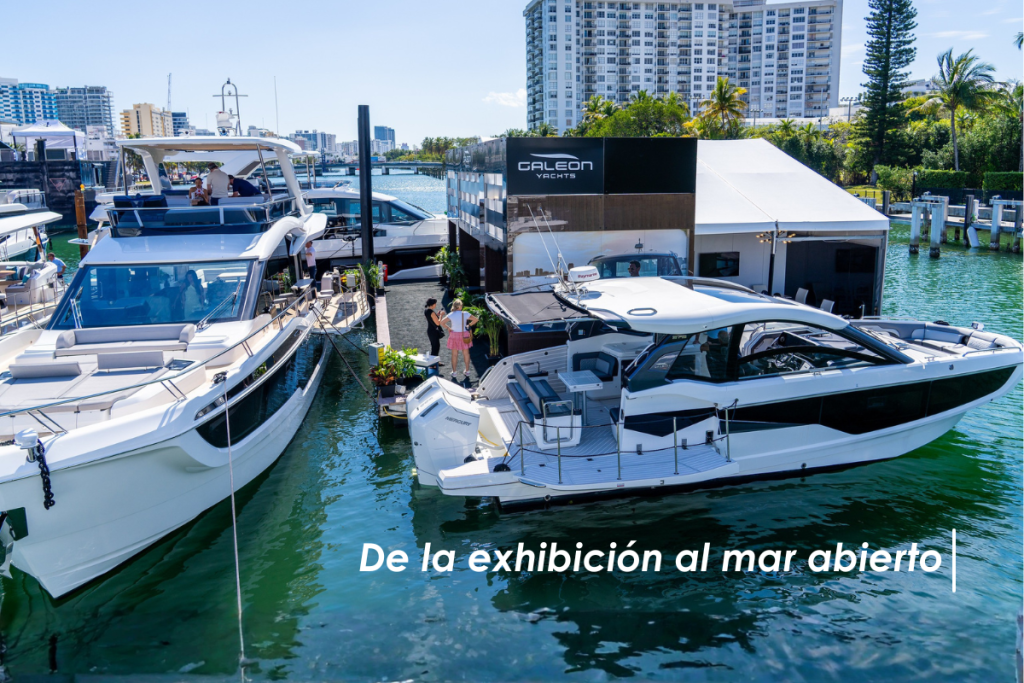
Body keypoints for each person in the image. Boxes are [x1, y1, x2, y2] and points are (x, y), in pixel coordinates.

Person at [443, 299, 477, 385]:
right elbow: (475, 319)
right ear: (460, 306)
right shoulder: (465, 313)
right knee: (466, 353)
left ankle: (454, 372)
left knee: (454, 354)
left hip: (454, 335)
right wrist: (468, 325)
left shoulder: (451, 314)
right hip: (464, 334)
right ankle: (467, 371)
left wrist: (448, 328)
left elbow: (442, 322)